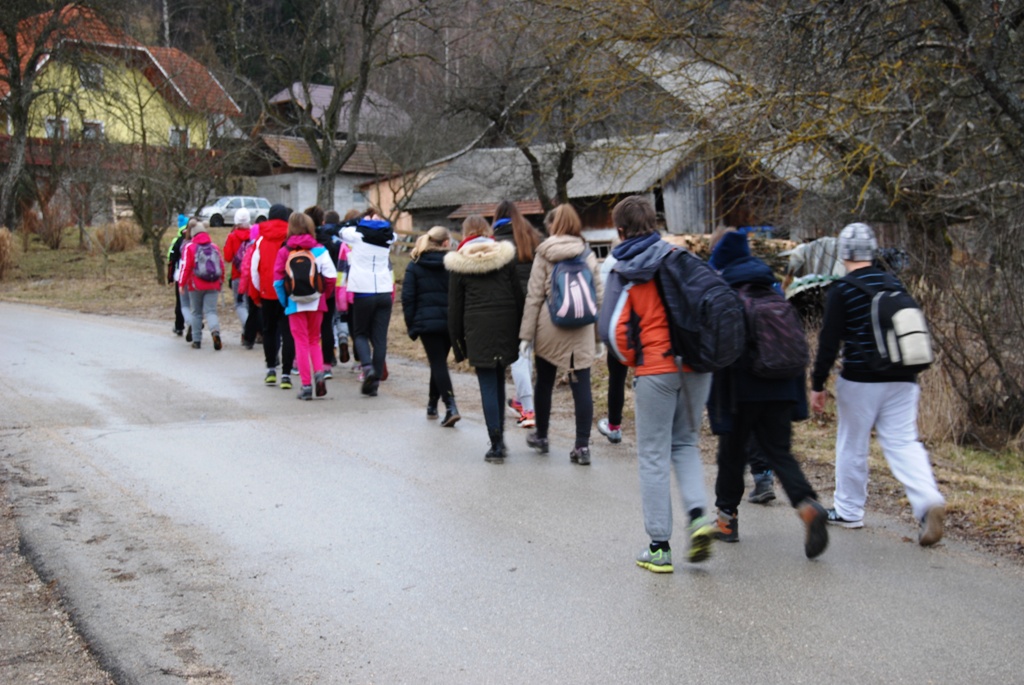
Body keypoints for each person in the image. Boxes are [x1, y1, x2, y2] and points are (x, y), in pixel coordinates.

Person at [598, 195, 716, 572]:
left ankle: (659, 547)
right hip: (696, 365)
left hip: (656, 368)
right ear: (654, 223)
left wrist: (636, 360)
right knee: (685, 442)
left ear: (619, 230)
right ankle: (699, 517)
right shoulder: (683, 258)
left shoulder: (625, 267)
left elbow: (611, 331)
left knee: (652, 454)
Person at [810, 222, 946, 546]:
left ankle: (848, 511)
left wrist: (818, 384)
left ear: (843, 254)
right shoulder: (895, 285)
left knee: (852, 444)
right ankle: (928, 500)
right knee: (903, 443)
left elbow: (829, 341)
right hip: (904, 378)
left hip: (861, 378)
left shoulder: (842, 289)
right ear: (872, 253)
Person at [706, 230, 829, 559]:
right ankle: (806, 504)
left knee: (731, 455)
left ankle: (726, 521)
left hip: (743, 388)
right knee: (779, 453)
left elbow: (720, 348)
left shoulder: (724, 287)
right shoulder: (772, 286)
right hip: (782, 384)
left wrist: (716, 403)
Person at [519, 204, 603, 465]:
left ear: (553, 226)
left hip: (549, 327)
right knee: (582, 386)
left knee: (544, 382)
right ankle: (582, 447)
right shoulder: (587, 253)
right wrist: (599, 338)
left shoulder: (544, 253)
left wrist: (526, 337)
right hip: (582, 328)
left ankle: (542, 436)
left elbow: (534, 297)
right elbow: (598, 297)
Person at [446, 214, 524, 462]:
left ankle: (496, 443)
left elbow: (455, 308)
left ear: (466, 232)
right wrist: (522, 330)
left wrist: (458, 344)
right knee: (499, 379)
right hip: (506, 323)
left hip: (477, 328)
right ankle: (499, 438)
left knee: (488, 384)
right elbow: (517, 294)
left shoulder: (460, 263)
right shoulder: (505, 257)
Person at [273, 212, 337, 400]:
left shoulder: (285, 251)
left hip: (295, 302)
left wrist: (285, 301)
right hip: (316, 301)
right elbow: (331, 277)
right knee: (313, 341)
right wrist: (324, 295)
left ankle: (306, 385)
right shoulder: (320, 249)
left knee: (300, 342)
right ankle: (319, 373)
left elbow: (277, 282)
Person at [402, 226, 460, 426]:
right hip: (449, 321)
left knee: (438, 363)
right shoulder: (454, 264)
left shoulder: (415, 265)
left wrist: (412, 325)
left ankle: (450, 406)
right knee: (439, 362)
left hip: (427, 322)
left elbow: (408, 298)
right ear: (445, 243)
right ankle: (432, 404)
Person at [492, 200, 542, 429]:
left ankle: (529, 409)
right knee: (528, 356)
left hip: (510, 306)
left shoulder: (496, 241)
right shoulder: (531, 236)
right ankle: (525, 402)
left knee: (519, 359)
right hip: (535, 302)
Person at [340, 208, 396, 396]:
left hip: (363, 291)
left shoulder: (355, 235)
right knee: (380, 339)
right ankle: (375, 382)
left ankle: (367, 368)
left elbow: (340, 229)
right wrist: (377, 222)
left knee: (361, 333)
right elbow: (389, 232)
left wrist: (360, 221)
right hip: (384, 291)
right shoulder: (389, 236)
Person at [252, 203, 296, 389]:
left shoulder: (261, 239)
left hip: (268, 292)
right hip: (289, 292)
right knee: (289, 333)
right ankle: (286, 374)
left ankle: (271, 369)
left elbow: (254, 269)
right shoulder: (292, 238)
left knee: (269, 330)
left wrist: (256, 293)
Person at [596, 242, 627, 445]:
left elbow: (602, 294)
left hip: (620, 327)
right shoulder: (660, 252)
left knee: (617, 378)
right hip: (651, 326)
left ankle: (614, 427)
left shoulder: (612, 259)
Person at [177, 222, 224, 351]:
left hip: (195, 285)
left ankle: (197, 341)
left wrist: (181, 284)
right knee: (211, 311)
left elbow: (185, 267)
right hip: (213, 283)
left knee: (196, 312)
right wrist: (221, 281)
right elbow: (221, 264)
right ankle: (215, 332)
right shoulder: (214, 246)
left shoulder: (190, 247)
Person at [223, 208, 253, 345]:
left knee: (240, 304)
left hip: (238, 275)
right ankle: (249, 333)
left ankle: (248, 329)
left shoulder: (233, 236)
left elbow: (228, 257)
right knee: (250, 305)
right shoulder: (254, 234)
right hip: (253, 275)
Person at [167, 214, 190, 336]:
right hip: (197, 277)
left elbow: (171, 260)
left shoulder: (178, 240)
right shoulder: (195, 238)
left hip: (180, 275)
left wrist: (170, 277)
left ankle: (179, 326)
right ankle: (195, 324)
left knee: (181, 303)